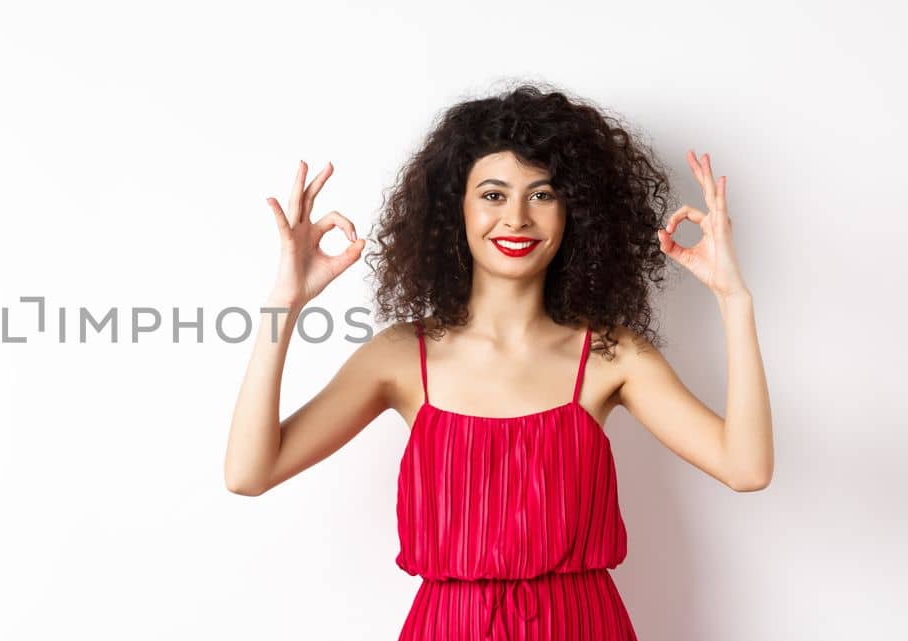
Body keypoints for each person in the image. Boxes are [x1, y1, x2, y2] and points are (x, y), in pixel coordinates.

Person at [222, 83, 774, 641]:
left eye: (543, 194)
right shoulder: (398, 357)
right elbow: (249, 473)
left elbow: (746, 469)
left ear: (574, 211)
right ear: (453, 207)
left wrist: (734, 299)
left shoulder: (612, 356)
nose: (516, 217)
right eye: (492, 194)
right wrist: (282, 303)